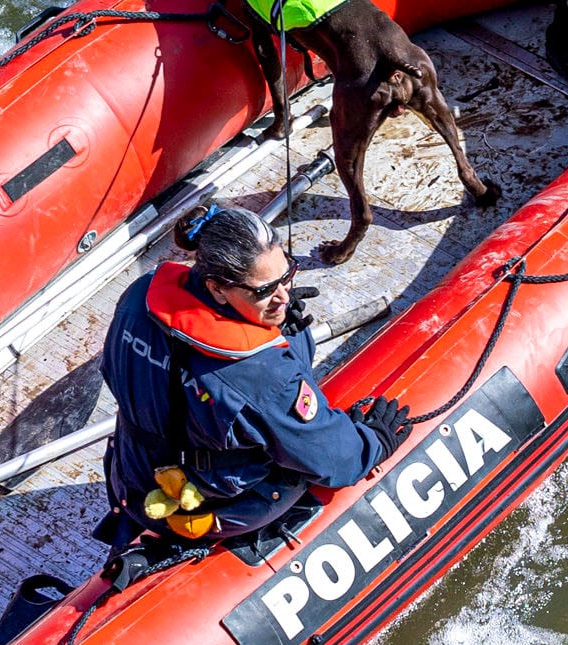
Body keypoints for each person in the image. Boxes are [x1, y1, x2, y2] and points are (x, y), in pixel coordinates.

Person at [99, 204, 409, 545]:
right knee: (299, 464)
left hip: (132, 470)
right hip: (199, 504)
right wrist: (373, 444)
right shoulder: (261, 377)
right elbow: (335, 460)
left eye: (285, 277)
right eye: (264, 290)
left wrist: (281, 328)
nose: (283, 296)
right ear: (218, 288)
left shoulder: (139, 296)